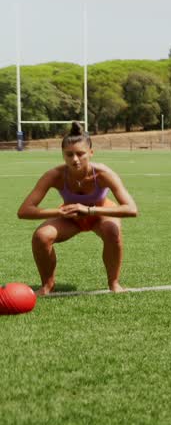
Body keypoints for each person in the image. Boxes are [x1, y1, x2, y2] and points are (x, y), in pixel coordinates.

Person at [17, 122, 139, 295]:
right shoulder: (55, 175)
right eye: (69, 154)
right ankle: (47, 285)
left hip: (100, 214)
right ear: (63, 155)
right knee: (41, 236)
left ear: (90, 153)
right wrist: (59, 212)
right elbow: (24, 210)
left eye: (80, 154)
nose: (75, 159)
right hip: (70, 216)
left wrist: (89, 211)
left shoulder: (103, 174)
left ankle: (114, 283)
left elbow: (131, 209)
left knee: (112, 232)